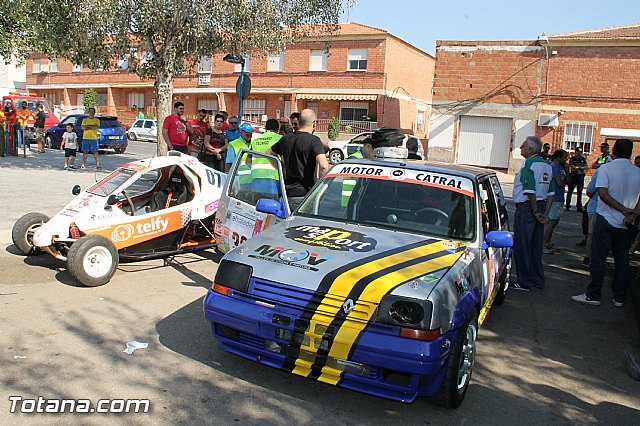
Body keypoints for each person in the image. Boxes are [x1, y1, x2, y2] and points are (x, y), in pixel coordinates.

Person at [572, 139, 640, 307]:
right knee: (622, 260)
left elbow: (602, 193)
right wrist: (633, 214)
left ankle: (594, 294)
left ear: (614, 151)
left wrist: (622, 209)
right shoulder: (637, 172)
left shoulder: (606, 169)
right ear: (630, 152)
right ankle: (619, 297)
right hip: (627, 222)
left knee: (598, 258)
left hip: (607, 219)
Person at [511, 136, 554, 291]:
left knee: (522, 245)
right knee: (535, 246)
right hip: (541, 207)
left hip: (528, 208)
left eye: (522, 146)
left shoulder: (529, 164)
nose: (520, 148)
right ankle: (537, 279)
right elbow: (551, 192)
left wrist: (535, 211)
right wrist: (544, 213)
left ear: (530, 149)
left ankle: (524, 281)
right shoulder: (547, 165)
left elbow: (530, 190)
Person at [267, 109, 329, 210]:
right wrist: (321, 187)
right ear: (314, 124)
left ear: (299, 122)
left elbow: (269, 153)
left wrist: (281, 168)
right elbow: (324, 166)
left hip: (286, 192)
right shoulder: (314, 140)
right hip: (305, 193)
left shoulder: (285, 139)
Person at [543, 149, 568, 254]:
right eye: (564, 157)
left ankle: (548, 242)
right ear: (558, 157)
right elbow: (560, 183)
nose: (566, 159)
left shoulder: (561, 167)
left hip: (559, 197)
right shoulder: (554, 167)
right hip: (555, 198)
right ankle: (544, 243)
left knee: (555, 221)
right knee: (551, 222)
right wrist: (565, 179)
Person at [249, 118, 282, 195]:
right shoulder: (280, 138)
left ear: (266, 128)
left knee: (257, 203)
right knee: (273, 203)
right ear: (278, 129)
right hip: (273, 176)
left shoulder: (255, 140)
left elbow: (248, 160)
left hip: (256, 176)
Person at [582, 167, 602, 266]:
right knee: (594, 233)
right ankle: (589, 257)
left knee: (592, 233)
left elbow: (590, 190)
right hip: (599, 207)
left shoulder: (601, 171)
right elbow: (590, 191)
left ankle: (588, 257)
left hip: (596, 206)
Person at [565, 147, 588, 211]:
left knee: (579, 192)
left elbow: (586, 166)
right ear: (576, 152)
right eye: (579, 151)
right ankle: (567, 205)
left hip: (581, 176)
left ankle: (579, 206)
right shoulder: (572, 159)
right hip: (574, 176)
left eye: (581, 151)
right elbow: (572, 167)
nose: (581, 153)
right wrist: (580, 167)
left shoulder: (583, 159)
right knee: (570, 191)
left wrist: (579, 167)